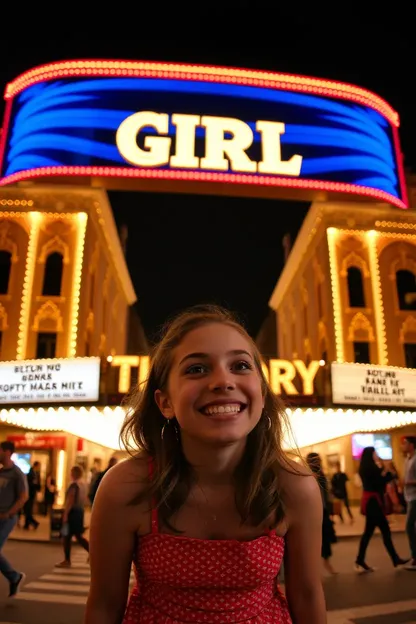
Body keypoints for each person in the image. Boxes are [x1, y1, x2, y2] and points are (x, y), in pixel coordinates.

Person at [86, 305, 327, 624]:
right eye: (197, 369)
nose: (223, 381)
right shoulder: (124, 487)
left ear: (262, 392)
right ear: (165, 402)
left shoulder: (296, 486)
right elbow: (104, 604)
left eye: (240, 365)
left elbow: (308, 595)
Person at [355, 446, 407, 572]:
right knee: (383, 530)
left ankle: (360, 560)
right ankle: (394, 559)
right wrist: (389, 471)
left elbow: (380, 479)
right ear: (370, 454)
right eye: (374, 453)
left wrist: (385, 470)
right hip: (373, 503)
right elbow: (381, 481)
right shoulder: (371, 468)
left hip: (371, 502)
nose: (376, 455)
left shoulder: (365, 468)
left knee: (369, 533)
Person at [0, 441, 28, 596]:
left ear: (7, 452)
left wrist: (9, 513)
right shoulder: (1, 472)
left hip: (6, 518)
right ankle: (13, 577)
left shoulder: (17, 473)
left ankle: (14, 577)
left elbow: (24, 496)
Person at [307, 452, 338, 575]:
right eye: (314, 461)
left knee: (325, 538)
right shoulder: (308, 475)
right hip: (312, 513)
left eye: (318, 460)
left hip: (323, 511)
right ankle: (313, 567)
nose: (317, 463)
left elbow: (327, 494)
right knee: (312, 541)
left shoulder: (322, 475)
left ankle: (326, 562)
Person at [56, 465, 89, 568]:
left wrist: (65, 514)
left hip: (73, 512)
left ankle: (67, 560)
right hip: (80, 511)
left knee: (67, 536)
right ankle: (92, 553)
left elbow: (70, 499)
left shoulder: (74, 485)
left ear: (74, 473)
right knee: (78, 536)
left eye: (71, 472)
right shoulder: (83, 484)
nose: (70, 474)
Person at [402, 436, 416, 570]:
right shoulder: (407, 459)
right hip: (408, 496)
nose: (403, 445)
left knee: (409, 526)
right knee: (412, 527)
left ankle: (415, 558)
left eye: (405, 443)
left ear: (412, 445)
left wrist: (408, 483)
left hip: (414, 498)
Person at [23, 460, 41, 529]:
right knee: (28, 509)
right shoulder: (30, 474)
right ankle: (33, 523)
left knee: (28, 509)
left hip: (32, 494)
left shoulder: (36, 473)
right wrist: (35, 484)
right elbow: (29, 483)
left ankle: (27, 524)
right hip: (29, 494)